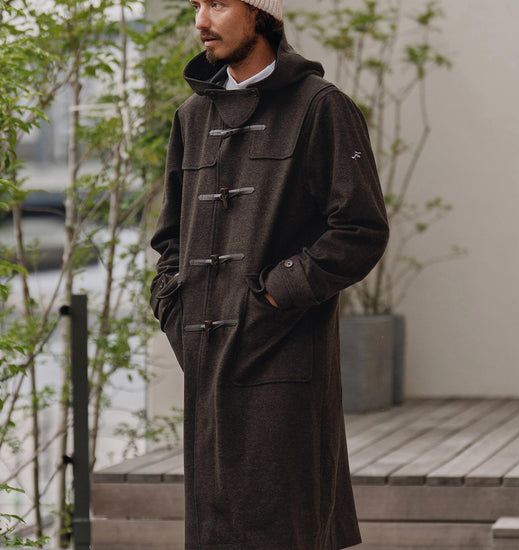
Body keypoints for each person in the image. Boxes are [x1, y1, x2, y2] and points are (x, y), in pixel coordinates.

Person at [149, 0, 389, 548]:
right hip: (205, 364)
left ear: (261, 13)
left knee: (286, 528)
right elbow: (170, 239)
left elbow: (360, 230)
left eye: (218, 4)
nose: (200, 21)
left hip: (283, 355)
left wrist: (272, 298)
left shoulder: (321, 107)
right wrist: (173, 306)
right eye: (196, 5)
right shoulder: (192, 117)